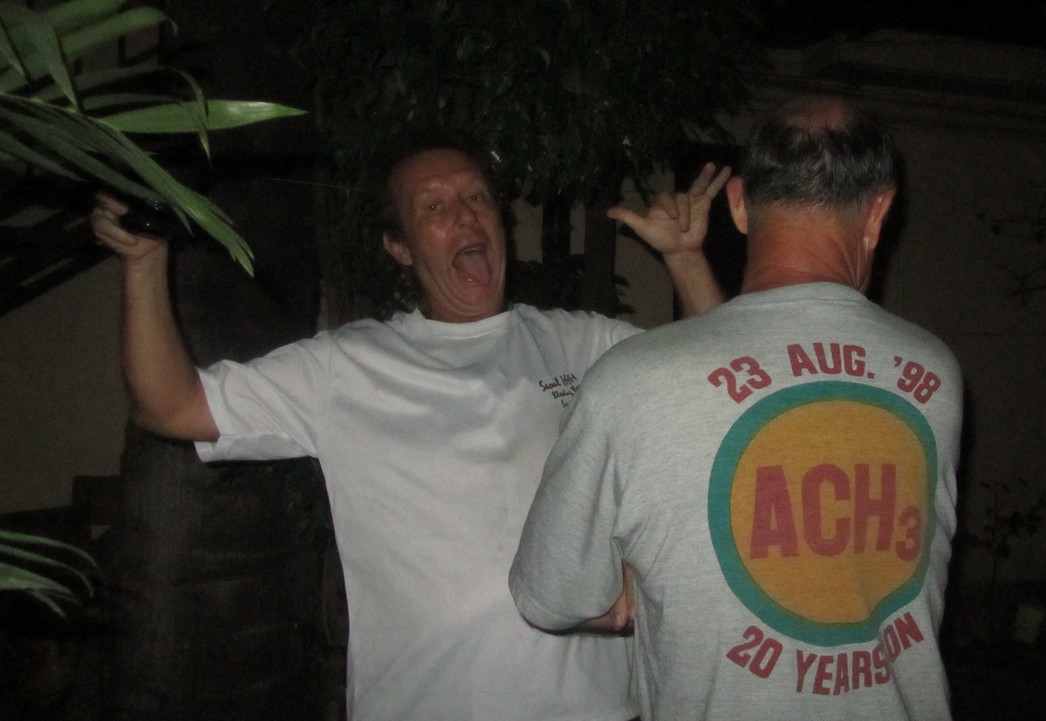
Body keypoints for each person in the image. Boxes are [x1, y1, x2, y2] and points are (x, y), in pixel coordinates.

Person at [90, 130, 730, 721]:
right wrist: (144, 264)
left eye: (477, 197)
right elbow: (170, 407)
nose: (465, 216)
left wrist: (685, 260)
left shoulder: (579, 343)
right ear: (398, 245)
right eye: (434, 207)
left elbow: (722, 388)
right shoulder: (347, 366)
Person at [510, 95, 964, 721]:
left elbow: (549, 597)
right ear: (879, 211)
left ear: (739, 203)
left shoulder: (629, 382)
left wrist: (631, 582)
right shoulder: (934, 376)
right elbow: (759, 378)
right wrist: (685, 260)